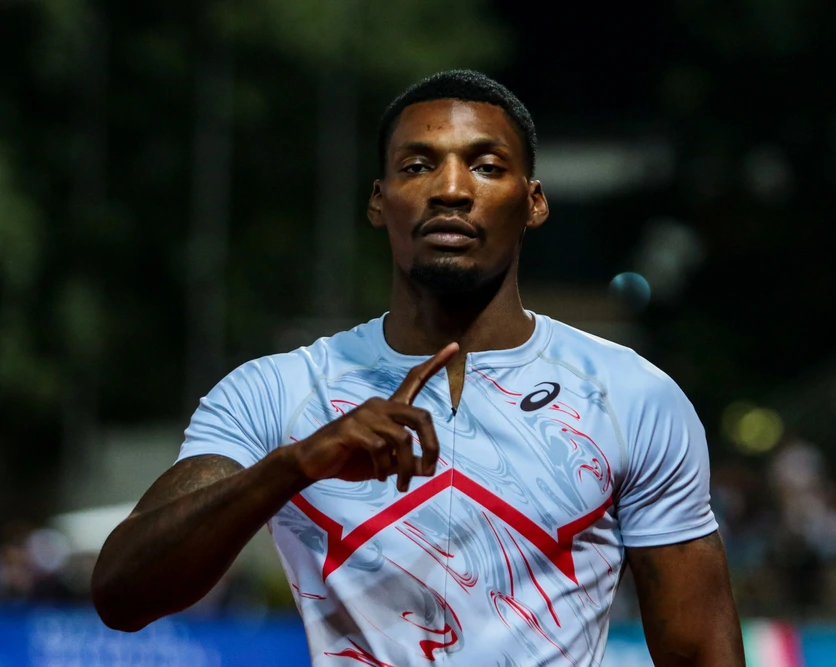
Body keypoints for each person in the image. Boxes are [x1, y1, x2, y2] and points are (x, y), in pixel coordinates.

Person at [92, 69, 745, 666]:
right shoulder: (274, 393)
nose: (451, 190)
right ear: (379, 201)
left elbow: (699, 654)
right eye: (417, 165)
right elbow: (122, 592)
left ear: (534, 201)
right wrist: (293, 466)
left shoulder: (631, 396)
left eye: (486, 166)